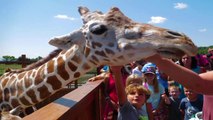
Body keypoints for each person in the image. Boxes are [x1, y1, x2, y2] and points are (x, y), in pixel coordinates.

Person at [145, 54, 213, 120]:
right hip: (182, 94)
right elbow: (171, 81)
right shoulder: (179, 67)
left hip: (197, 96)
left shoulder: (198, 69)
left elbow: (198, 83)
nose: (186, 60)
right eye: (184, 58)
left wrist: (159, 60)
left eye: (188, 58)